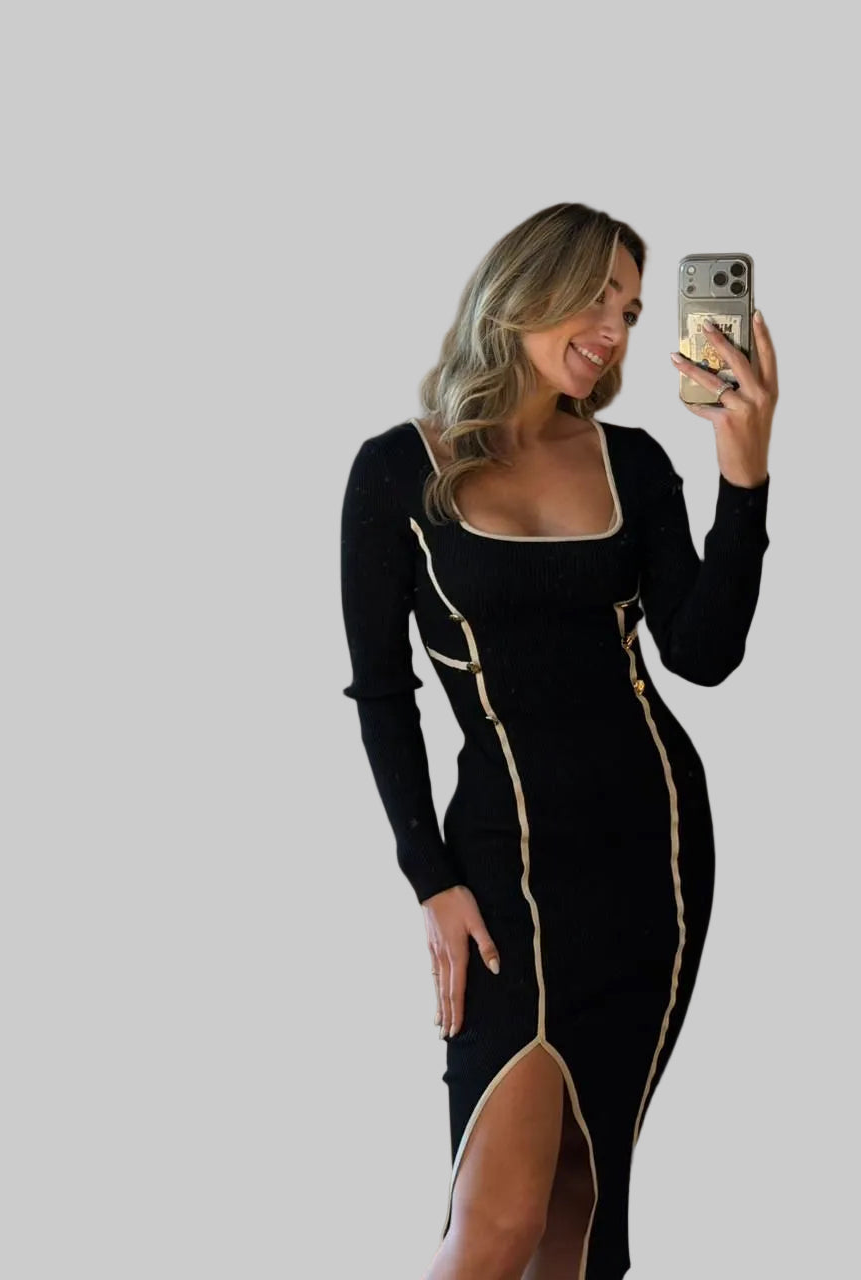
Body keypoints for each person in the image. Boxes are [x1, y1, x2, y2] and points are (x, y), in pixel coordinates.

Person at [338, 202, 777, 1280]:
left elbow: (702, 653)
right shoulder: (397, 471)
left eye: (632, 311)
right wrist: (431, 879)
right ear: (526, 289)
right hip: (502, 865)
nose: (615, 330)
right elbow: (384, 693)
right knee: (495, 1224)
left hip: (652, 854)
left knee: (577, 1218)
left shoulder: (633, 462)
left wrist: (744, 476)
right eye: (596, 299)